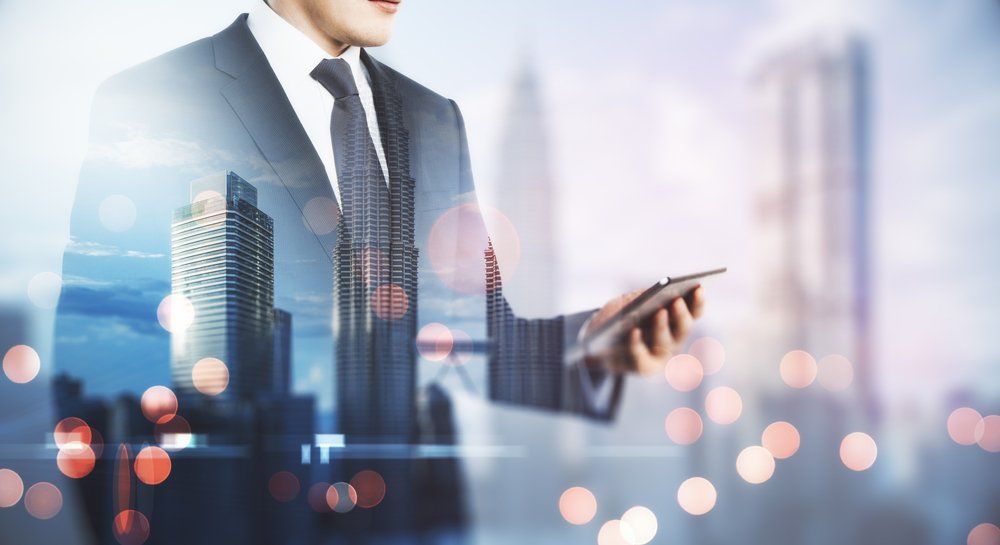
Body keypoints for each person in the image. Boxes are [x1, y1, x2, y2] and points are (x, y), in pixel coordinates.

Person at [53, 0, 706, 542]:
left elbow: (469, 336)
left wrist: (597, 344)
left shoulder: (434, 118)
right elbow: (90, 371)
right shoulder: (154, 98)